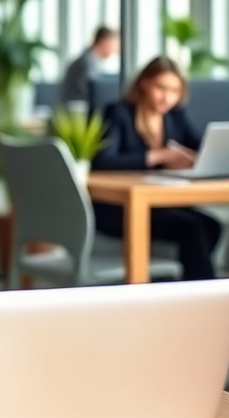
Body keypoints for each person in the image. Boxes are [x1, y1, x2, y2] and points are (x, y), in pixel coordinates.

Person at [92, 56, 223, 280]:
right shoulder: (118, 113)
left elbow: (199, 148)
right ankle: (198, 297)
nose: (167, 97)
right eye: (161, 88)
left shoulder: (175, 116)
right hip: (118, 208)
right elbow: (103, 161)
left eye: (174, 90)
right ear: (144, 83)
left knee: (212, 226)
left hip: (160, 202)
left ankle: (185, 285)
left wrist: (192, 159)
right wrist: (157, 155)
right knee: (192, 229)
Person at [59, 26, 120, 106]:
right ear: (104, 42)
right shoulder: (87, 63)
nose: (115, 50)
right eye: (114, 44)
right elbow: (93, 92)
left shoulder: (90, 60)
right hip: (76, 111)